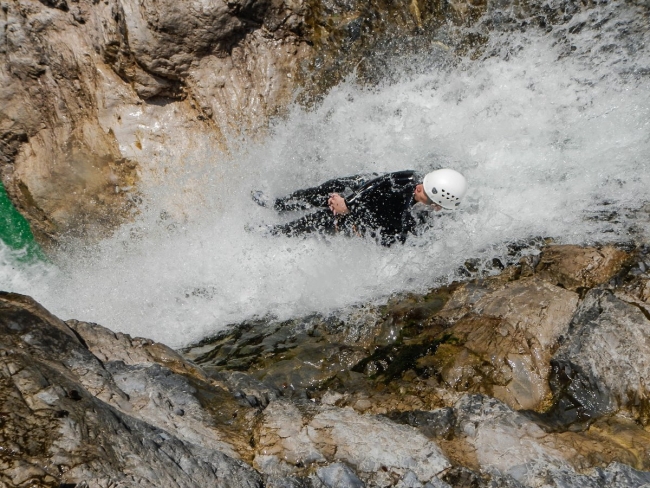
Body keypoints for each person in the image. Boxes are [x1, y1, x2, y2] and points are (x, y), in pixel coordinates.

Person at [251, 168, 468, 246]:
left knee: (325, 219)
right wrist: (348, 203)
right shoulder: (412, 180)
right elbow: (383, 182)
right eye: (424, 184)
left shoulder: (418, 221)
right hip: (365, 190)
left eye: (427, 195)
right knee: (328, 189)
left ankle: (275, 232)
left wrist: (352, 217)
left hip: (369, 214)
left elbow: (391, 238)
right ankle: (279, 204)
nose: (419, 189)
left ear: (437, 206)